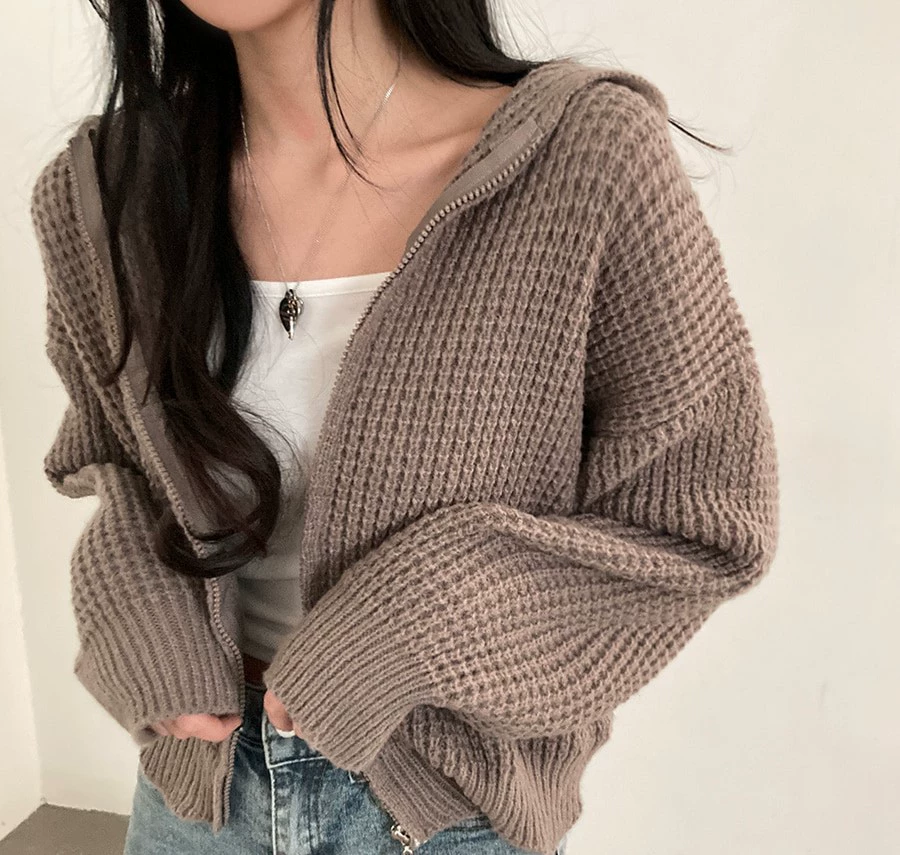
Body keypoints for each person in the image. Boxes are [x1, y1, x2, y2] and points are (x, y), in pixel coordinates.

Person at [30, 1, 780, 853]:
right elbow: (111, 458)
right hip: (196, 797)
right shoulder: (104, 192)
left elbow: (704, 524)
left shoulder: (583, 157)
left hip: (446, 809)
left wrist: (407, 629)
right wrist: (138, 610)